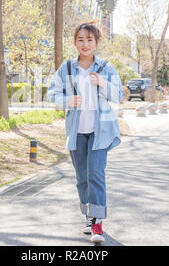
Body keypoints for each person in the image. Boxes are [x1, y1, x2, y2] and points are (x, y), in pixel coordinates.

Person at [47, 21, 124, 243]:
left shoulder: (105, 67)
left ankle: (97, 223)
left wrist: (101, 82)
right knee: (82, 178)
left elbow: (118, 95)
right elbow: (53, 94)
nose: (85, 44)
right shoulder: (68, 68)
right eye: (80, 40)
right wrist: (67, 100)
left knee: (96, 175)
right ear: (75, 42)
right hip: (77, 132)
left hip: (100, 132)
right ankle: (89, 216)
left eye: (89, 40)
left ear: (96, 42)